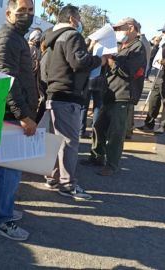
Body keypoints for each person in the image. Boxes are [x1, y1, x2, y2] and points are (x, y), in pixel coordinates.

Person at [0, 0, 38, 241]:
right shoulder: (6, 38)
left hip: (12, 114)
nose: (27, 15)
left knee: (7, 170)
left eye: (30, 11)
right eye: (21, 11)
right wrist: (24, 116)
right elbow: (6, 82)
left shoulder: (15, 36)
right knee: (8, 171)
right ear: (8, 13)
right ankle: (1, 219)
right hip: (10, 115)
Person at [42, 5, 103, 199]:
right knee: (69, 142)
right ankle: (67, 185)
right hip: (67, 95)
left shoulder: (52, 37)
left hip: (53, 93)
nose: (79, 22)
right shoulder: (71, 36)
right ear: (71, 19)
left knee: (54, 139)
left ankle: (52, 177)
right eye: (78, 18)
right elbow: (79, 63)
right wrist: (99, 61)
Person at [85, 17, 146, 176]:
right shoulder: (122, 45)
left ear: (131, 28)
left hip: (123, 95)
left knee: (116, 132)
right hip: (110, 92)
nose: (117, 32)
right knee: (98, 126)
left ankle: (111, 165)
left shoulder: (138, 47)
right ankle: (97, 157)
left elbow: (128, 71)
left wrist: (111, 58)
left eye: (120, 28)